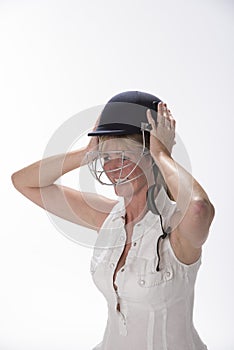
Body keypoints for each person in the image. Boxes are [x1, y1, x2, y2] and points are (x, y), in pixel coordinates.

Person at [11, 90, 215, 350]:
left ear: (150, 158)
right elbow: (24, 183)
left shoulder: (177, 228)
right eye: (106, 157)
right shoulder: (109, 218)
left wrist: (163, 154)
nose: (111, 167)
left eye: (123, 156)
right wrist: (85, 154)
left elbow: (198, 207)